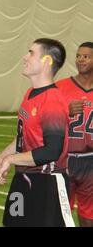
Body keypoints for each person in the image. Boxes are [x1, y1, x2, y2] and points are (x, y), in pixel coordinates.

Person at [0, 38, 74, 227]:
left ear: (47, 61)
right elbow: (23, 136)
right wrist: (1, 157)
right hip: (24, 178)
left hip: (47, 184)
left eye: (31, 52)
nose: (25, 57)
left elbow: (52, 151)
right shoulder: (30, 93)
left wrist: (10, 160)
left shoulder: (52, 100)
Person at [56, 42, 93, 227]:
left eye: (86, 56)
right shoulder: (60, 87)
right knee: (61, 213)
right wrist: (65, 111)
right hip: (65, 159)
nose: (81, 59)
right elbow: (45, 121)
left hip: (91, 160)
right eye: (79, 55)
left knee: (89, 215)